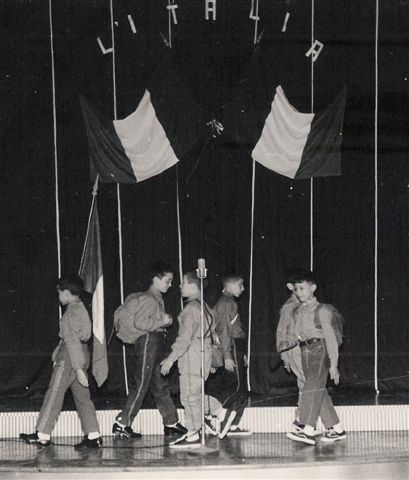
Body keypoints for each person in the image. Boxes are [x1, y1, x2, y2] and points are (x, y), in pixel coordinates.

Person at [20, 275, 102, 449]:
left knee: (54, 393)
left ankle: (42, 434)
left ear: (66, 293)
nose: (58, 297)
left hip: (70, 357)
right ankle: (93, 435)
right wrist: (80, 366)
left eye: (59, 293)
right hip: (82, 353)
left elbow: (71, 342)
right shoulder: (81, 308)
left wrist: (78, 368)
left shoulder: (70, 314)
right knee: (83, 397)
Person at [160, 271, 237, 449]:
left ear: (194, 286)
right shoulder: (206, 308)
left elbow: (184, 339)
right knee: (195, 395)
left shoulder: (190, 310)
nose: (180, 286)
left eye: (183, 283)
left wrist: (170, 359)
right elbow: (212, 336)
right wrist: (208, 361)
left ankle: (196, 431)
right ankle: (217, 415)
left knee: (188, 397)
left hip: (192, 355)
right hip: (203, 354)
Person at [113, 262, 186, 438]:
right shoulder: (149, 298)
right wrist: (162, 322)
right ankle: (122, 423)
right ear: (155, 279)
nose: (170, 285)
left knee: (160, 383)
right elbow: (140, 322)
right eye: (167, 281)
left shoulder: (155, 298)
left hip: (154, 342)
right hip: (148, 342)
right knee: (142, 383)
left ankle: (171, 423)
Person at [286, 271, 346, 445]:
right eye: (296, 289)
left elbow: (331, 339)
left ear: (313, 288)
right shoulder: (298, 310)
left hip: (320, 350)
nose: (299, 292)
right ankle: (336, 428)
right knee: (317, 388)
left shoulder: (322, 310)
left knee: (311, 388)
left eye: (303, 288)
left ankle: (308, 429)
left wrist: (333, 365)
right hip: (305, 351)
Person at [205, 273, 251, 436]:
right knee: (237, 388)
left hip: (235, 346)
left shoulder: (229, 302)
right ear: (229, 286)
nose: (243, 289)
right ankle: (212, 416)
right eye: (240, 285)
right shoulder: (226, 303)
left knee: (242, 391)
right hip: (230, 346)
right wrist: (227, 356)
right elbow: (224, 332)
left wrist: (241, 353)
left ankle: (232, 424)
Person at [276, 276, 304, 431]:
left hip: (302, 350)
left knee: (305, 384)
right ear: (290, 287)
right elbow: (281, 332)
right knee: (308, 383)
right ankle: (301, 419)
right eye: (297, 288)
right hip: (294, 350)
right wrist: (284, 355)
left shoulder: (301, 305)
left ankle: (302, 419)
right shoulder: (289, 307)